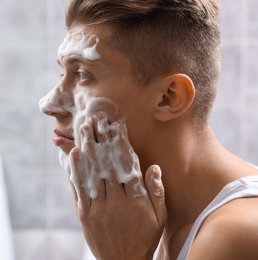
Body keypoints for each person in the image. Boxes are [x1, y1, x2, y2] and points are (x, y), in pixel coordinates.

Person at [39, 0, 258, 259]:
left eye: (82, 75)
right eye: (62, 74)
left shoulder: (235, 235)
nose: (49, 105)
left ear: (168, 97)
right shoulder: (145, 221)